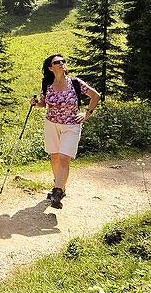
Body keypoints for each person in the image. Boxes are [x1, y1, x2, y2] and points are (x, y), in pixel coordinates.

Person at [31, 54, 100, 209]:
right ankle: (60, 187)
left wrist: (87, 113)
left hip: (71, 125)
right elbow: (44, 103)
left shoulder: (75, 83)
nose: (62, 64)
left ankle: (57, 191)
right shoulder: (46, 83)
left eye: (63, 61)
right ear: (51, 67)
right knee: (54, 157)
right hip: (51, 124)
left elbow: (95, 95)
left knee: (63, 158)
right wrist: (36, 103)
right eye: (57, 62)